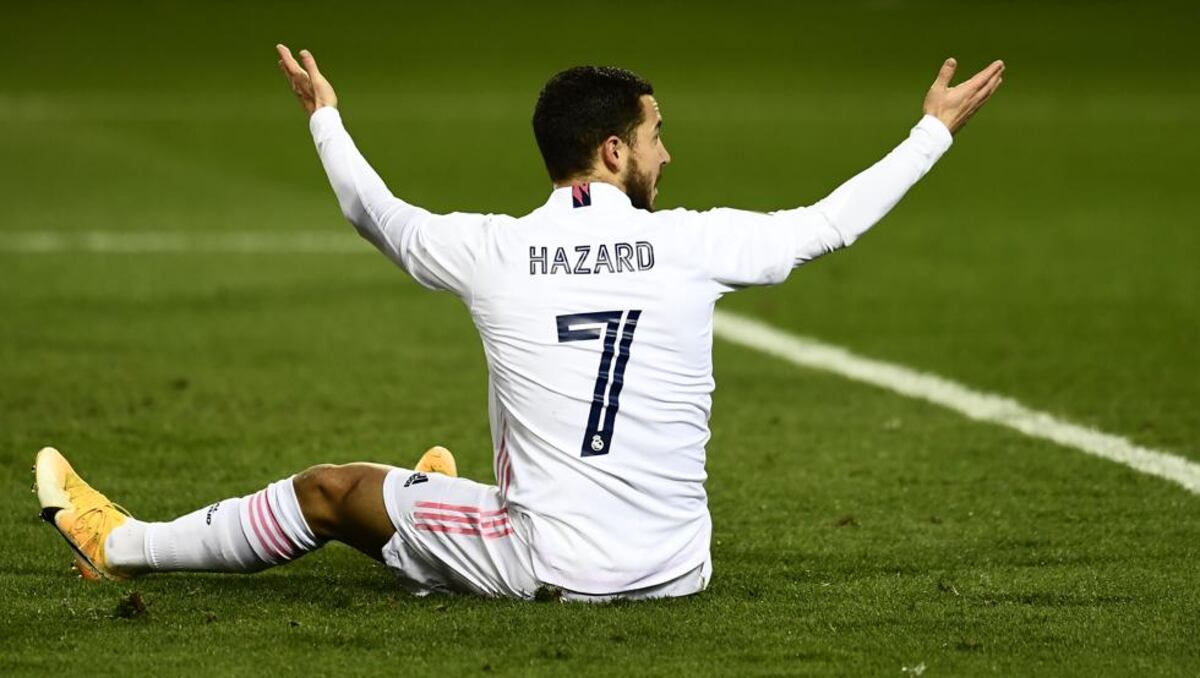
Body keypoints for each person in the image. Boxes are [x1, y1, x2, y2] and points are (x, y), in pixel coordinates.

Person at [34, 45, 1003, 602]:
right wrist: (932, 131)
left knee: (332, 490)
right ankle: (421, 518)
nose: (668, 154)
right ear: (614, 150)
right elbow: (830, 224)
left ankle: (123, 544)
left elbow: (374, 213)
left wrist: (325, 116)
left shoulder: (493, 248)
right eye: (656, 135)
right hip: (679, 568)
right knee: (441, 490)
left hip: (553, 563)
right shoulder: (692, 242)